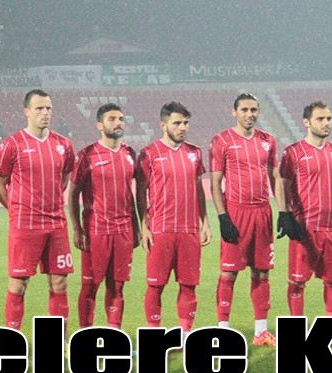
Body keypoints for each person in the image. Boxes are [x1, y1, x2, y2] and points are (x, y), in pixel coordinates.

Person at [0, 89, 75, 332]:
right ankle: (12, 339)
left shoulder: (63, 144)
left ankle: (58, 340)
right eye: (39, 108)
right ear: (27, 112)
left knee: (60, 283)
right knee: (18, 284)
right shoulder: (12, 144)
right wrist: (16, 210)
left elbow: (64, 179)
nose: (45, 113)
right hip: (25, 225)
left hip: (56, 224)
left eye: (48, 108)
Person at [278, 101, 332, 339]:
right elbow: (282, 183)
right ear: (306, 122)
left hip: (331, 227)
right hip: (304, 228)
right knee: (297, 282)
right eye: (320, 119)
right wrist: (284, 213)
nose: (326, 123)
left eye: (328, 118)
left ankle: (331, 327)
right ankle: (296, 329)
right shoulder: (293, 152)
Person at [136, 101, 212, 338]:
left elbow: (199, 189)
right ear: (163, 125)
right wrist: (143, 226)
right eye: (177, 123)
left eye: (186, 123)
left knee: (189, 285)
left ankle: (186, 334)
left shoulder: (194, 153)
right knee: (155, 285)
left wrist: (205, 222)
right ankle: (154, 335)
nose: (182, 128)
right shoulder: (149, 153)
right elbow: (140, 192)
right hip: (161, 229)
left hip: (189, 230)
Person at [209, 93, 279, 346]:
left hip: (262, 212)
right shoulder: (222, 140)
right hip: (236, 213)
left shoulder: (268, 140)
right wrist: (222, 217)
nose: (250, 114)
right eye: (245, 110)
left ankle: (261, 332)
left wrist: (283, 211)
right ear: (234, 112)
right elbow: (215, 183)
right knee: (229, 273)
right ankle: (223, 330)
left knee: (261, 272)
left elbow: (274, 177)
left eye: (254, 110)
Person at [69, 103, 139, 329]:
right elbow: (73, 194)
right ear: (99, 125)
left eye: (121, 119)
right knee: (91, 286)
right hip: (96, 230)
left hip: (123, 231)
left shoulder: (130, 154)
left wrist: (136, 227)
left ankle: (114, 333)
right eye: (112, 119)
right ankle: (84, 333)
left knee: (117, 286)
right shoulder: (87, 155)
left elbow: (129, 193)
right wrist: (77, 228)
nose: (118, 123)